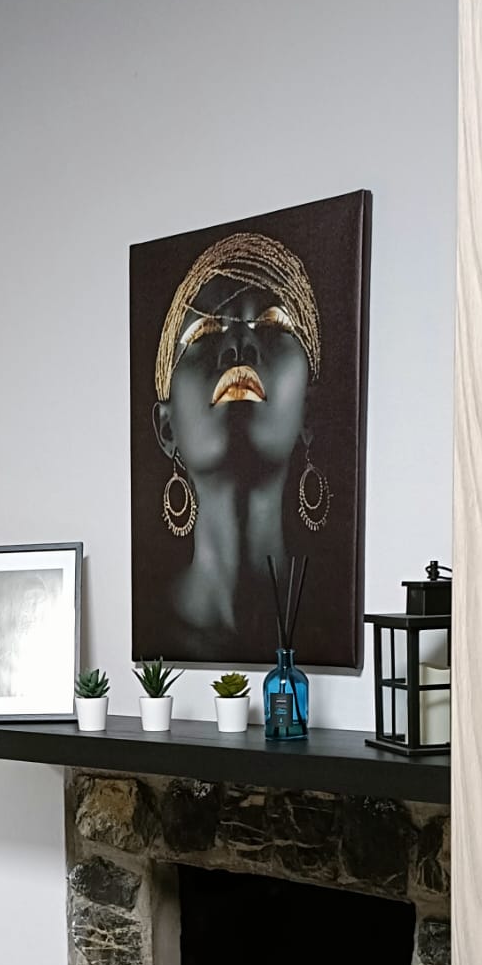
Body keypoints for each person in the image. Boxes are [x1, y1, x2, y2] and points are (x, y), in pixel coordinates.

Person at [151, 230, 329, 660]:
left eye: (272, 326)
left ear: (309, 414)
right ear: (167, 428)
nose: (239, 346)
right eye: (204, 332)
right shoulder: (149, 629)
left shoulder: (333, 621)